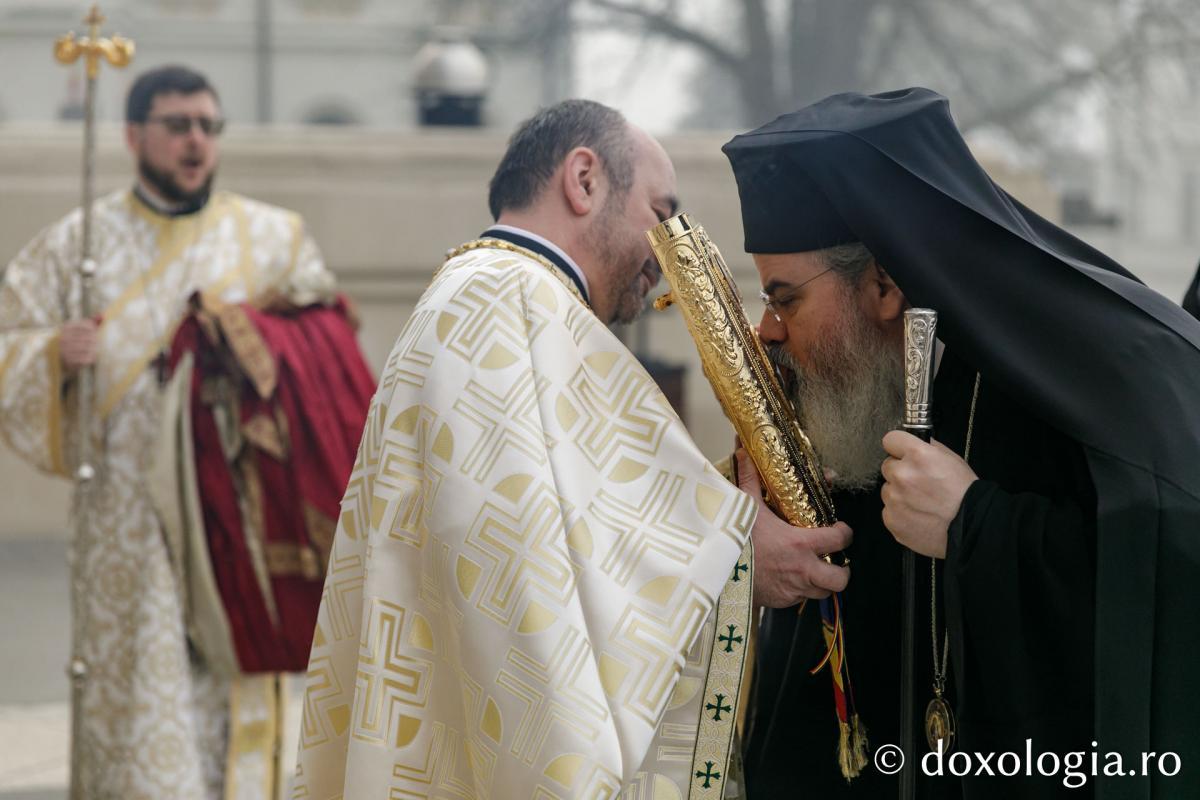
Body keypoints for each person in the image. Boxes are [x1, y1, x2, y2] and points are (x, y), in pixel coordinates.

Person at [293, 99, 831, 798]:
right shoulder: (501, 302)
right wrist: (733, 556)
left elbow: (567, 522)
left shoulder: (499, 299)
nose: (666, 257)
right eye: (660, 212)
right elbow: (506, 553)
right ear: (584, 180)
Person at [722, 88, 1200, 799]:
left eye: (785, 298)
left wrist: (980, 524)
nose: (768, 330)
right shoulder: (864, 385)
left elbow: (1170, 571)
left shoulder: (1109, 364)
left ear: (884, 284)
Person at [0, 65, 364, 798]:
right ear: (135, 135)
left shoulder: (271, 238)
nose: (196, 141)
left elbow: (332, 342)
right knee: (136, 700)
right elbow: (10, 340)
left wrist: (246, 338)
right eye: (177, 126)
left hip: (235, 520)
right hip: (124, 526)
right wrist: (50, 357)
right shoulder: (78, 242)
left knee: (229, 706)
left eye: (208, 125)